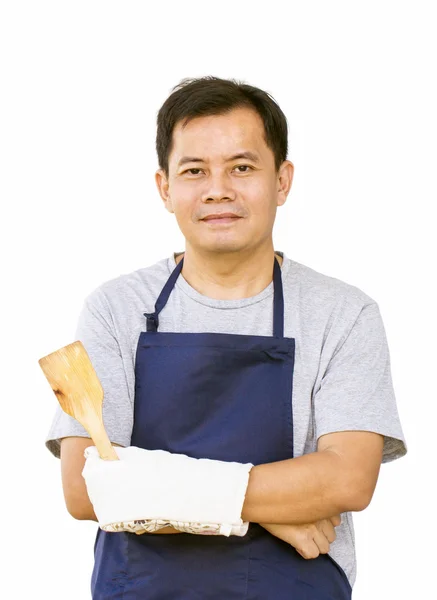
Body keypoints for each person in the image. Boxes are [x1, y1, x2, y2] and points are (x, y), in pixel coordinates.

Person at [45, 75, 407, 599]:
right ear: (165, 188)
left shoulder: (343, 314)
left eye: (242, 167)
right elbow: (85, 489)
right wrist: (267, 511)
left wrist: (152, 488)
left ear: (282, 181)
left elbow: (347, 481)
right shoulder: (115, 309)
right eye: (195, 171)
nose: (219, 189)